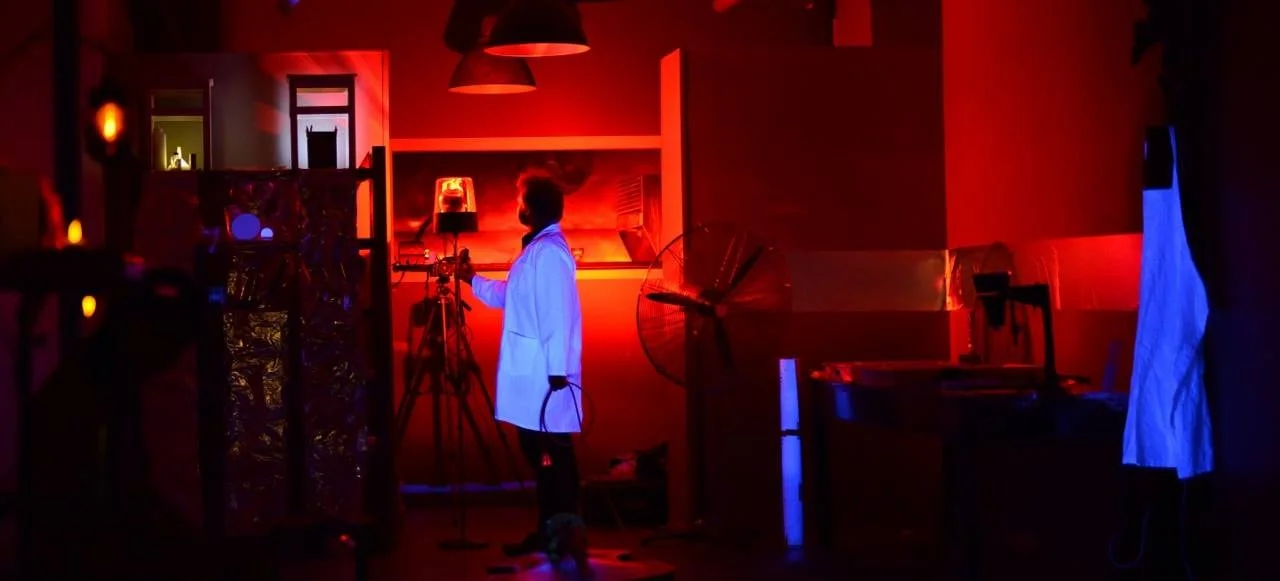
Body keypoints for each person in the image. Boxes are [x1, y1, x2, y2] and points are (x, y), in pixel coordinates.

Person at [456, 176, 585, 557]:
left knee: (552, 458)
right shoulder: (537, 251)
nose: (517, 205)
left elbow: (558, 313)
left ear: (531, 207)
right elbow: (510, 297)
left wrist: (557, 370)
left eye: (520, 199)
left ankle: (561, 535)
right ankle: (551, 532)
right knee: (544, 457)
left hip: (546, 378)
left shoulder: (549, 254)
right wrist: (471, 279)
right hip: (537, 376)